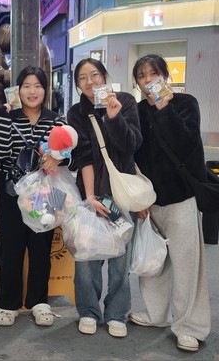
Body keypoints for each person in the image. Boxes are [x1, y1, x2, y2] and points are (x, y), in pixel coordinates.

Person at [129, 54, 211, 352]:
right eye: (142, 76)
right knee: (154, 262)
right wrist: (137, 199)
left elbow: (187, 144)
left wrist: (164, 107)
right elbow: (133, 155)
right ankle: (156, 315)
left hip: (181, 198)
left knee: (187, 264)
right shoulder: (137, 111)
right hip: (150, 201)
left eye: (154, 74)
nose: (148, 80)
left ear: (165, 76)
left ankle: (189, 326)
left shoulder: (185, 103)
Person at [66, 58, 141, 338]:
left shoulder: (125, 102)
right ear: (77, 85)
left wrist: (114, 118)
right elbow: (83, 156)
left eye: (95, 75)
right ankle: (88, 311)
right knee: (87, 256)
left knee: (120, 259)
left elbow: (132, 145)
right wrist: (90, 198)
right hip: (92, 192)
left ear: (105, 76)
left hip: (121, 194)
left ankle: (116, 313)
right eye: (83, 78)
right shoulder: (76, 113)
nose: (90, 82)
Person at [0, 66, 66, 327]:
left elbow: (70, 154)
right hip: (12, 191)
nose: (33, 92)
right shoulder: (5, 117)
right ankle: (8, 304)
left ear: (46, 90)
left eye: (38, 86)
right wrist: (3, 116)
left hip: (47, 192)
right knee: (10, 248)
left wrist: (58, 158)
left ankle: (39, 302)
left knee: (41, 248)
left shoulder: (56, 120)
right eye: (27, 86)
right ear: (18, 90)